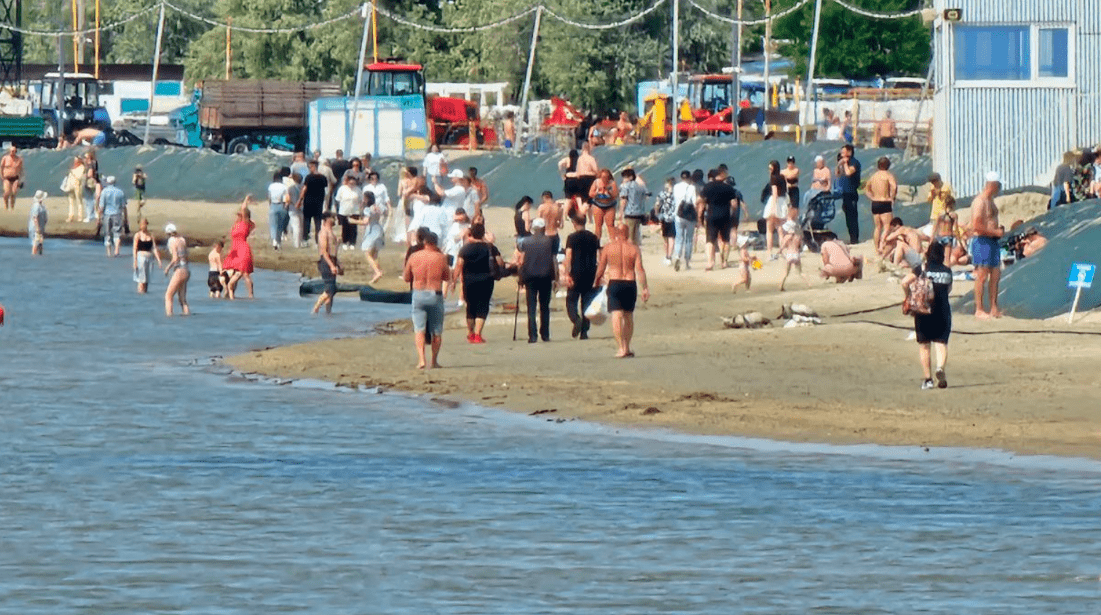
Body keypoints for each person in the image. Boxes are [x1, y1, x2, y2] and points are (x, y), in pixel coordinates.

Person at [901, 241, 953, 390]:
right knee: (941, 342)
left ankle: (928, 380)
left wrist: (909, 297)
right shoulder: (947, 271)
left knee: (924, 345)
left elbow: (904, 283)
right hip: (942, 309)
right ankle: (940, 368)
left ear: (928, 254)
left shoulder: (921, 269)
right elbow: (949, 289)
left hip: (924, 310)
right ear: (942, 255)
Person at [595, 224, 650, 358]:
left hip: (615, 282)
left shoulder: (608, 248)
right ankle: (627, 346)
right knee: (628, 316)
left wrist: (596, 281)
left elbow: (601, 268)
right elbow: (640, 270)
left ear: (614, 233)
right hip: (630, 283)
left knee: (616, 315)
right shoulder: (634, 249)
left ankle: (621, 347)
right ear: (627, 233)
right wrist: (645, 288)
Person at [449, 222, 503, 343]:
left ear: (471, 234)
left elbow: (458, 266)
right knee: (483, 306)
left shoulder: (465, 248)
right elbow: (500, 263)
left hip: (469, 280)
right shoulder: (490, 247)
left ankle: (470, 333)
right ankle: (478, 334)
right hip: (486, 280)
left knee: (470, 307)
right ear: (483, 234)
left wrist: (453, 282)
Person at [403, 230, 450, 369]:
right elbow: (447, 277)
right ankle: (434, 361)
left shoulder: (414, 256)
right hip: (435, 294)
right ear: (435, 243)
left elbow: (406, 277)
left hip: (418, 294)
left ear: (424, 243)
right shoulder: (440, 257)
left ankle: (422, 360)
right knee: (436, 330)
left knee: (419, 329)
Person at [971, 172, 1005, 319]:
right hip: (982, 241)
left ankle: (993, 307)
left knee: (996, 274)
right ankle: (979, 308)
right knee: (982, 275)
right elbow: (976, 225)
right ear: (993, 185)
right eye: (999, 186)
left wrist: (998, 231)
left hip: (992, 241)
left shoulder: (990, 200)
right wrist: (995, 232)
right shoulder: (980, 201)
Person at [518, 218, 557, 343]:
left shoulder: (526, 242)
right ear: (544, 228)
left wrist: (520, 277)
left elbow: (521, 261)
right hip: (545, 276)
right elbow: (554, 261)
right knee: (544, 307)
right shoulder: (550, 241)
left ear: (534, 228)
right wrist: (556, 277)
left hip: (530, 276)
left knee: (532, 307)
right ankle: (545, 334)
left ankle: (532, 335)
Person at [563, 213, 601, 340]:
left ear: (574, 223)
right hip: (590, 272)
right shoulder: (594, 237)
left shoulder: (572, 238)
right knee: (587, 302)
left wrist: (566, 273)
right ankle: (584, 331)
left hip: (576, 272)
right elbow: (598, 257)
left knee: (571, 300)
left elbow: (568, 256)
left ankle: (576, 319)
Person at [698, 167, 740, 270]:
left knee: (710, 240)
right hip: (725, 216)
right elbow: (734, 204)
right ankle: (724, 262)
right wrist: (732, 213)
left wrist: (700, 215)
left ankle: (710, 263)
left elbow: (699, 200)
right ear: (721, 175)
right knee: (725, 240)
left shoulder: (708, 187)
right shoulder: (728, 188)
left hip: (711, 216)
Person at [223, 197, 257, 299]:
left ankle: (250, 295)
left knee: (245, 273)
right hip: (234, 249)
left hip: (242, 248)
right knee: (232, 272)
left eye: (240, 214)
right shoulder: (236, 224)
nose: (238, 215)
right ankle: (230, 293)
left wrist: (246, 200)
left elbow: (243, 209)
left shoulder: (247, 223)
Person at [311, 213, 344, 314]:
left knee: (331, 291)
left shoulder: (331, 232)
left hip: (332, 260)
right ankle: (315, 309)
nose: (334, 220)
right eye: (332, 218)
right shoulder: (323, 232)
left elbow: (333, 251)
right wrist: (331, 265)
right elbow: (324, 252)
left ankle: (328, 312)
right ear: (326, 220)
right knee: (330, 289)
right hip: (326, 262)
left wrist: (338, 263)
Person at [864, 156, 898, 253]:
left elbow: (866, 189)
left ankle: (876, 248)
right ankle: (882, 245)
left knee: (877, 227)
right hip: (885, 201)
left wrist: (872, 197)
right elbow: (894, 187)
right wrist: (892, 197)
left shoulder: (873, 176)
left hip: (875, 202)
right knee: (887, 226)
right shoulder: (888, 175)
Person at [762, 160, 789, 259]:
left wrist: (773, 208)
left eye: (770, 168)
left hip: (775, 202)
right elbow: (785, 191)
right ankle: (782, 251)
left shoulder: (773, 178)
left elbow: (774, 194)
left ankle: (769, 252)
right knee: (780, 229)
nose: (769, 170)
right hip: (782, 202)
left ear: (774, 168)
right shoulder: (782, 177)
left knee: (769, 230)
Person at [777, 210, 809, 291]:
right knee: (800, 272)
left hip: (789, 255)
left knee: (785, 273)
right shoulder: (798, 237)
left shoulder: (787, 237)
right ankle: (809, 284)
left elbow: (782, 247)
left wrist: (779, 252)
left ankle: (781, 286)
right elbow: (800, 246)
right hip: (796, 254)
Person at [672, 170, 698, 271]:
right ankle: (687, 262)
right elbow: (694, 202)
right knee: (688, 239)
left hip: (678, 215)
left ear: (681, 177)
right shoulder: (691, 188)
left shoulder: (676, 187)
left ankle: (677, 256)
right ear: (689, 177)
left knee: (679, 237)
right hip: (689, 216)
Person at [162, 223, 190, 317]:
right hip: (186, 269)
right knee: (182, 299)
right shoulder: (182, 240)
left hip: (179, 270)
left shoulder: (172, 241)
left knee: (168, 296)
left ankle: (169, 316)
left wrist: (167, 268)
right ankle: (187, 314)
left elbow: (175, 259)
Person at [836, 144, 862, 245]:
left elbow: (848, 173)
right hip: (845, 193)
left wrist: (846, 163)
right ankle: (851, 237)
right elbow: (837, 173)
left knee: (852, 216)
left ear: (849, 152)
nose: (842, 153)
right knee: (847, 216)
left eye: (844, 152)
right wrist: (839, 163)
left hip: (852, 192)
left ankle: (855, 239)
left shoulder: (854, 162)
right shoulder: (843, 162)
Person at [299, 160, 328, 245]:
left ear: (313, 166)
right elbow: (325, 191)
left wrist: (299, 200)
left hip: (308, 202)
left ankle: (305, 240)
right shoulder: (323, 177)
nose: (309, 168)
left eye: (310, 167)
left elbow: (304, 189)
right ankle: (318, 241)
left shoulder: (308, 177)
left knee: (306, 222)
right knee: (318, 223)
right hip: (319, 203)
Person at [98, 176, 128, 257]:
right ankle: (116, 251)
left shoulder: (104, 192)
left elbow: (101, 206)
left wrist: (99, 217)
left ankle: (108, 252)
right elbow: (123, 206)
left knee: (107, 234)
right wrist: (125, 218)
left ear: (107, 182)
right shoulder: (120, 192)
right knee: (117, 233)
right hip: (117, 214)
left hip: (107, 214)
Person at [618, 167, 649, 246]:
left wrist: (620, 213)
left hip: (630, 213)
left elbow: (623, 201)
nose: (624, 179)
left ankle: (630, 252)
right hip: (639, 213)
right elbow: (646, 197)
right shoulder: (641, 187)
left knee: (629, 236)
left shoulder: (626, 186)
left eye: (625, 177)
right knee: (636, 235)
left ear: (630, 177)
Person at [131, 218, 162, 294]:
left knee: (147, 279)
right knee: (141, 280)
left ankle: (145, 293)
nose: (143, 226)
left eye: (144, 224)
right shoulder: (137, 235)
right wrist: (135, 261)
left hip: (149, 259)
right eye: (142, 224)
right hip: (140, 258)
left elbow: (154, 248)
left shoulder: (151, 235)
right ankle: (140, 293)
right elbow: (134, 249)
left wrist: (159, 260)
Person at [588, 168, 619, 241]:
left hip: (610, 205)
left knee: (610, 225)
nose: (604, 179)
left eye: (606, 177)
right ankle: (597, 242)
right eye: (603, 177)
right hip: (598, 204)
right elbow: (590, 193)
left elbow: (616, 194)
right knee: (598, 225)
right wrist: (597, 192)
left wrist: (608, 191)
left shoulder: (612, 183)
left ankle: (613, 242)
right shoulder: (596, 182)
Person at [334, 174, 363, 250]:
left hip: (355, 212)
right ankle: (344, 242)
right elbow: (338, 199)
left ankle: (352, 243)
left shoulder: (358, 190)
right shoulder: (342, 189)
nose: (352, 185)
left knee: (353, 228)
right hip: (343, 212)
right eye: (350, 183)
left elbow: (361, 200)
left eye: (353, 183)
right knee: (345, 228)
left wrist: (361, 210)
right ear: (347, 182)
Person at [654, 177, 677, 265]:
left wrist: (656, 214)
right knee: (672, 238)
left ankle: (667, 255)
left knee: (665, 238)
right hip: (674, 218)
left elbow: (657, 205)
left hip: (664, 217)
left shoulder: (662, 194)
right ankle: (669, 257)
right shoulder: (676, 194)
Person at [266, 171, 290, 250]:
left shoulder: (271, 186)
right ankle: (278, 242)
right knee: (280, 225)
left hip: (273, 205)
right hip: (281, 205)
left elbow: (269, 197)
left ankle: (274, 241)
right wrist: (286, 205)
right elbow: (287, 197)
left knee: (273, 224)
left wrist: (270, 205)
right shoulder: (284, 186)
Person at [1, 145, 24, 210]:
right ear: (9, 151)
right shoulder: (5, 158)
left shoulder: (19, 159)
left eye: (14, 151)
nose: (13, 152)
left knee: (14, 192)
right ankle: (6, 205)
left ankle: (12, 207)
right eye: (12, 151)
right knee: (7, 192)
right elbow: (1, 167)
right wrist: (1, 175)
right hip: (7, 178)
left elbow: (21, 170)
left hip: (15, 178)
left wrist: (21, 179)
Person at [63, 156, 85, 222]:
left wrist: (73, 172)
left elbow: (79, 177)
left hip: (77, 186)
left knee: (79, 201)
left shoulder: (82, 167)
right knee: (71, 201)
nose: (75, 162)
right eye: (74, 160)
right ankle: (71, 216)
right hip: (71, 186)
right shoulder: (73, 167)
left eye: (76, 161)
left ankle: (80, 216)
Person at [28, 190, 47, 255]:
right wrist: (37, 228)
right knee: (35, 243)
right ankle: (34, 255)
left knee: (40, 242)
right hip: (36, 228)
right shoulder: (36, 206)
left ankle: (39, 255)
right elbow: (35, 218)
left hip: (40, 227)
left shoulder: (41, 205)